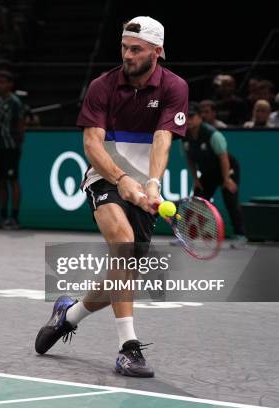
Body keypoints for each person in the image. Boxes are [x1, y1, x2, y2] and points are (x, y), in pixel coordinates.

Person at [35, 17, 188, 378]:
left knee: (122, 275)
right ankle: (128, 348)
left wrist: (151, 183)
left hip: (140, 185)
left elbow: (163, 139)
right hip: (104, 177)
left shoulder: (175, 87)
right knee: (123, 242)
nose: (128, 55)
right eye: (124, 48)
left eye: (136, 49)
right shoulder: (103, 85)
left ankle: (68, 315)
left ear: (157, 51)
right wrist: (120, 179)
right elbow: (91, 143)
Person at [182, 102, 246, 246]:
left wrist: (227, 179)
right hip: (209, 172)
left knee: (230, 199)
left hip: (227, 169)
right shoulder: (184, 135)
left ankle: (240, 235)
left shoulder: (212, 134)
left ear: (200, 118)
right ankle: (189, 236)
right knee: (196, 200)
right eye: (186, 117)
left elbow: (223, 157)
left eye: (192, 116)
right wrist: (195, 178)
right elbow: (189, 158)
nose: (189, 120)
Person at [0, 70, 24, 229]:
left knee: (12, 181)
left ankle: (14, 217)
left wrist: (17, 144)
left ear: (10, 84)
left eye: (3, 82)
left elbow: (21, 124)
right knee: (0, 181)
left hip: (11, 147)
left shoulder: (15, 102)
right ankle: (0, 216)